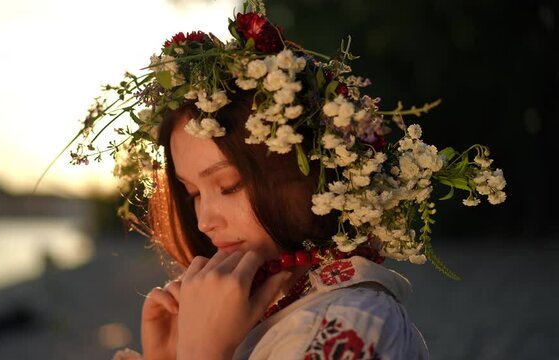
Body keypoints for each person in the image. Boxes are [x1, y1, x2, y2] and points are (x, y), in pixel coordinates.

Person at [68, 2, 506, 358]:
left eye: (229, 185)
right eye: (193, 194)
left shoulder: (354, 324)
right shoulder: (264, 308)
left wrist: (203, 354)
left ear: (302, 173)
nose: (204, 221)